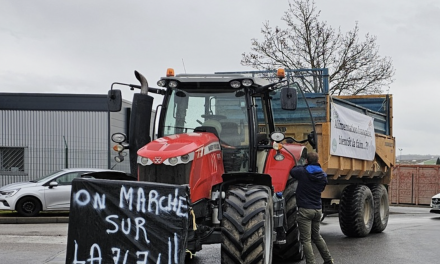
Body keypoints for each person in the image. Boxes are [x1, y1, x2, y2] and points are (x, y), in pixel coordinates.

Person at [290, 152, 334, 264]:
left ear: (306, 161)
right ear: (317, 161)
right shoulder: (323, 175)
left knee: (306, 240)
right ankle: (328, 260)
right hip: (317, 210)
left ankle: (311, 263)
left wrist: (303, 165)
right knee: (317, 236)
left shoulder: (302, 172)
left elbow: (292, 171)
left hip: (305, 210)